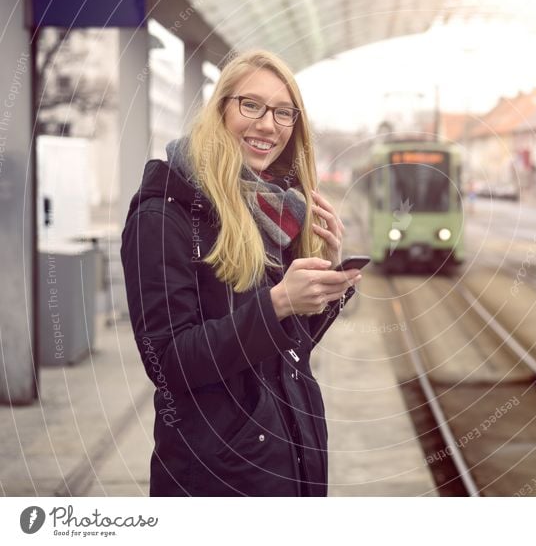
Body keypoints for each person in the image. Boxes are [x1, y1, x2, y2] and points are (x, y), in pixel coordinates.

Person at [120, 50, 362, 496]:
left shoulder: (271, 208)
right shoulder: (162, 216)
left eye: (283, 112)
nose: (268, 125)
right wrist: (280, 302)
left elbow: (285, 353)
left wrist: (326, 282)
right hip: (218, 475)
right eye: (250, 105)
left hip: (288, 457)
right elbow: (169, 362)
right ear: (220, 109)